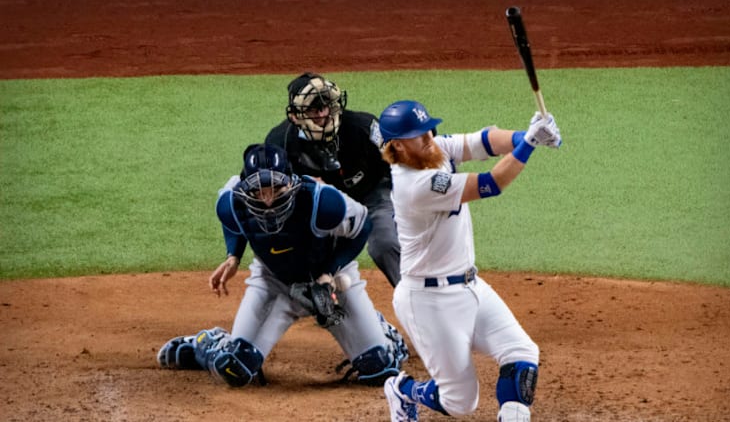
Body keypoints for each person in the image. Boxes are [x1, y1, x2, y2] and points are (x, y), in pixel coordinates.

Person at [157, 144, 408, 387]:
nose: (267, 200)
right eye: (258, 190)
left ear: (291, 181)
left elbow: (362, 226)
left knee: (381, 367)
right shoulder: (231, 202)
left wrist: (328, 272)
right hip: (274, 282)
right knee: (236, 367)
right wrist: (233, 256)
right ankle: (209, 343)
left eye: (275, 189)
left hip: (330, 280)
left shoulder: (323, 202)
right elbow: (234, 224)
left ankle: (381, 331)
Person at [377, 100, 562, 422]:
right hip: (429, 301)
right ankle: (404, 390)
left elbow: (484, 140)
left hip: (471, 286)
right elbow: (492, 184)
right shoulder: (413, 185)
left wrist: (525, 134)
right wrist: (531, 143)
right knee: (460, 403)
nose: (428, 137)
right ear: (397, 145)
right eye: (417, 134)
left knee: (522, 355)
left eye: (428, 129)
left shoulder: (431, 150)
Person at [263, 72, 401, 287]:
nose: (322, 113)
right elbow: (271, 196)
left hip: (371, 195)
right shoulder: (281, 143)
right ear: (294, 116)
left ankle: (414, 296)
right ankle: (319, 296)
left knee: (385, 243)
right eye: (312, 109)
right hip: (320, 210)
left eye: (325, 105)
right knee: (306, 252)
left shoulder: (363, 127)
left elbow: (399, 167)